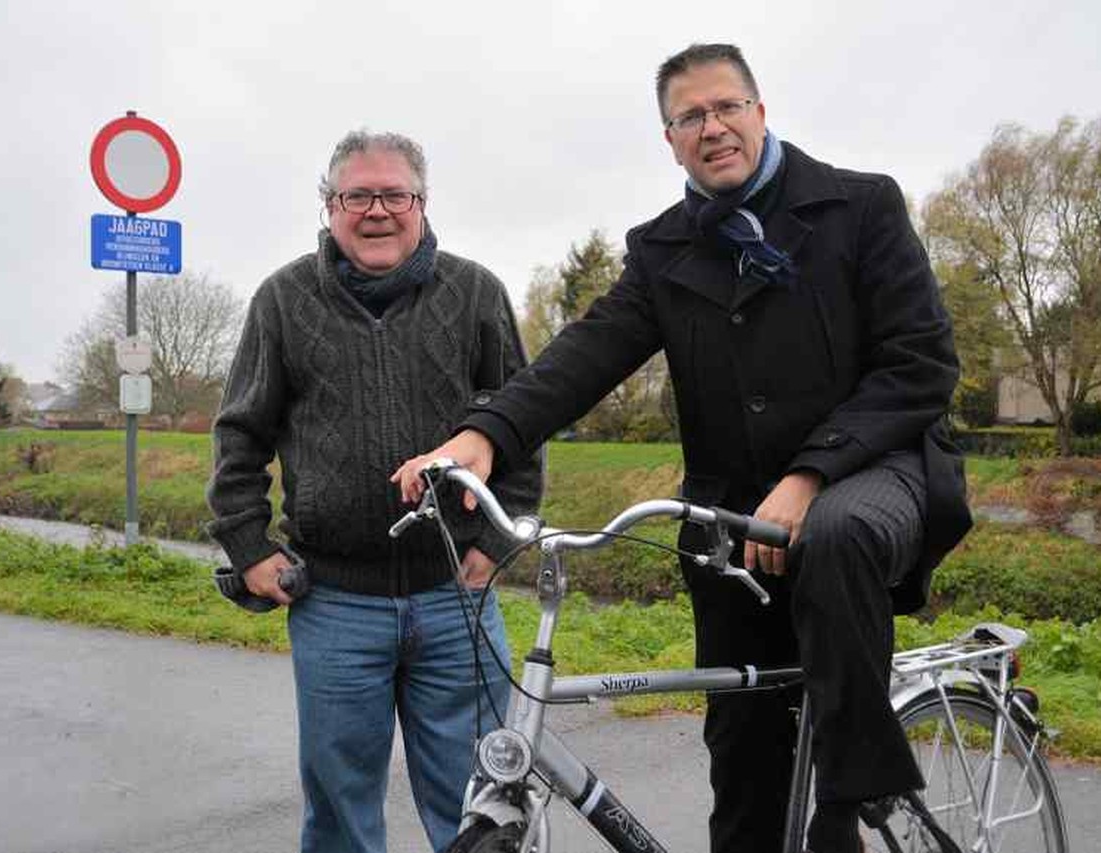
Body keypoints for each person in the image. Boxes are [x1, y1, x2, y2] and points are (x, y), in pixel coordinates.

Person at [393, 44, 972, 853]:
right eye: (689, 116)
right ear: (669, 139)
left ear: (760, 112)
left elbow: (921, 366)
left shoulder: (860, 207)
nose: (713, 127)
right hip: (733, 511)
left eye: (727, 106)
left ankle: (860, 801)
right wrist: (484, 434)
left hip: (879, 470)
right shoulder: (664, 248)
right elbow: (585, 353)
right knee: (743, 765)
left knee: (835, 533)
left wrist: (811, 473)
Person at [207, 129, 542, 853]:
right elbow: (239, 435)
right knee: (339, 812)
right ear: (329, 206)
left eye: (395, 194)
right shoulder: (282, 300)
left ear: (421, 203)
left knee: (480, 809)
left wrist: (498, 534)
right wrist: (247, 544)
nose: (377, 210)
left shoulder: (476, 292)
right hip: (335, 605)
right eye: (357, 195)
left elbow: (521, 427)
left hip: (457, 598)